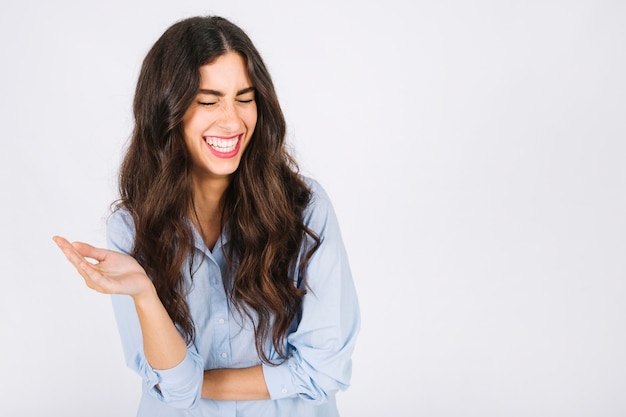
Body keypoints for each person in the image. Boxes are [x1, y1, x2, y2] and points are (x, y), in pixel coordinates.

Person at [53, 15, 360, 417]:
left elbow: (325, 370)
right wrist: (145, 294)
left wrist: (190, 382)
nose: (232, 120)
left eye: (245, 98)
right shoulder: (131, 231)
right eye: (208, 100)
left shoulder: (305, 209)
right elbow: (171, 391)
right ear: (168, 109)